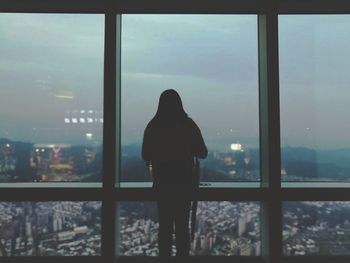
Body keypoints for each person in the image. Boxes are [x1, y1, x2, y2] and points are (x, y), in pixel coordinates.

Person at [142, 89, 208, 261]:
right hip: (183, 185)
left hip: (162, 185)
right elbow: (203, 152)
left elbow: (145, 155)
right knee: (182, 230)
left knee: (164, 228)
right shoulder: (188, 125)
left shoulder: (153, 125)